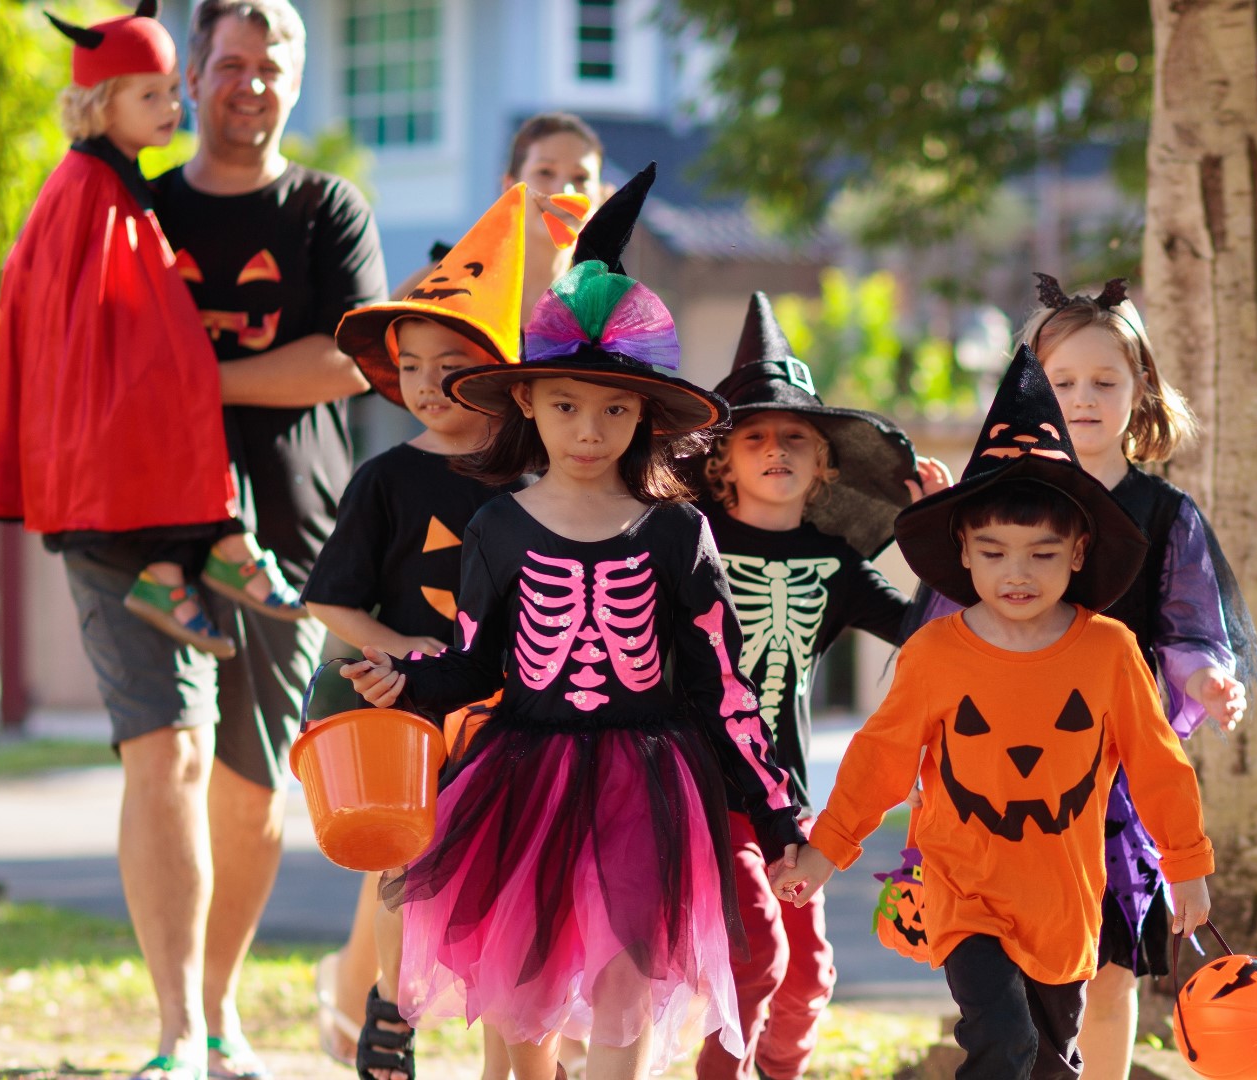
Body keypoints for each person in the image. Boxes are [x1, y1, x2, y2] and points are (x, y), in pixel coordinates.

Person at [339, 165, 805, 1080]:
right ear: (525, 402)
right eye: (565, 406)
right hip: (524, 782)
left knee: (631, 983)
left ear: (645, 415)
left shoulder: (678, 532)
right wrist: (410, 681)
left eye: (615, 410)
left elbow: (723, 683)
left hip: (649, 788)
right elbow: (478, 661)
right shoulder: (498, 526)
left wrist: (779, 808)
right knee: (520, 996)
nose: (589, 430)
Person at [37, 0, 384, 1076]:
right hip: (132, 532)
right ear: (190, 73)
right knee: (167, 757)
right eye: (229, 62)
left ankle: (222, 1009)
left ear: (297, 76)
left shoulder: (328, 208)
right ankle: (177, 1031)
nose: (250, 84)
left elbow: (349, 357)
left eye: (270, 65)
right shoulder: (127, 201)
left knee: (247, 788)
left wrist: (185, 379)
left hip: (284, 538)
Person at [770, 347, 1215, 1080]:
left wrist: (1187, 865)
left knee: (1048, 1061)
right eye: (995, 551)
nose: (1017, 573)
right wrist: (825, 851)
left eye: (1042, 554)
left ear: (1078, 553)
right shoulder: (937, 654)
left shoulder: (1107, 651)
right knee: (1000, 1040)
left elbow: (1156, 761)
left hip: (1065, 902)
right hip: (963, 889)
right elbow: (880, 760)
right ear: (963, 555)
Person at [302, 183, 575, 1076]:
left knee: (513, 883)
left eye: (448, 362)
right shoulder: (386, 479)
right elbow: (329, 600)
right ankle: (390, 1006)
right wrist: (400, 648)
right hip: (408, 711)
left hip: (514, 710)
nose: (424, 383)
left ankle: (517, 1051)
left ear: (497, 373)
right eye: (409, 365)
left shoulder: (538, 471)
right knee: (401, 864)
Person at [0, 0, 306, 663]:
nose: (171, 106)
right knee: (177, 405)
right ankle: (201, 560)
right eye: (150, 94)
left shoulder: (112, 179)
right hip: (101, 412)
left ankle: (184, 567)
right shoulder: (84, 188)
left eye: (174, 90)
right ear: (100, 102)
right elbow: (86, 315)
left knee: (188, 401)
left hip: (124, 396)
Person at [688, 293, 949, 1080]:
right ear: (720, 461)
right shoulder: (687, 542)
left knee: (808, 978)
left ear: (824, 463)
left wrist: (937, 538)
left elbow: (921, 632)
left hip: (791, 794)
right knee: (756, 954)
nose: (776, 449)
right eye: (755, 436)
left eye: (795, 437)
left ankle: (779, 1072)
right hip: (704, 787)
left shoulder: (835, 562)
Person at [1019, 275, 1257, 1080]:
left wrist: (1207, 681)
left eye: (1104, 381)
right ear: (1032, 389)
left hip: (1117, 775)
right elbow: (953, 622)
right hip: (1011, 766)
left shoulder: (1166, 515)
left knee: (1113, 962)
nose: (1082, 399)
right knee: (1015, 960)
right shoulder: (1010, 503)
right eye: (1062, 383)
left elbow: (1190, 630)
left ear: (1140, 389)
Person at [393, 112, 607, 328]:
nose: (564, 191)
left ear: (602, 196)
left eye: (581, 178)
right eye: (545, 172)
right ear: (508, 187)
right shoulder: (441, 286)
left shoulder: (607, 315)